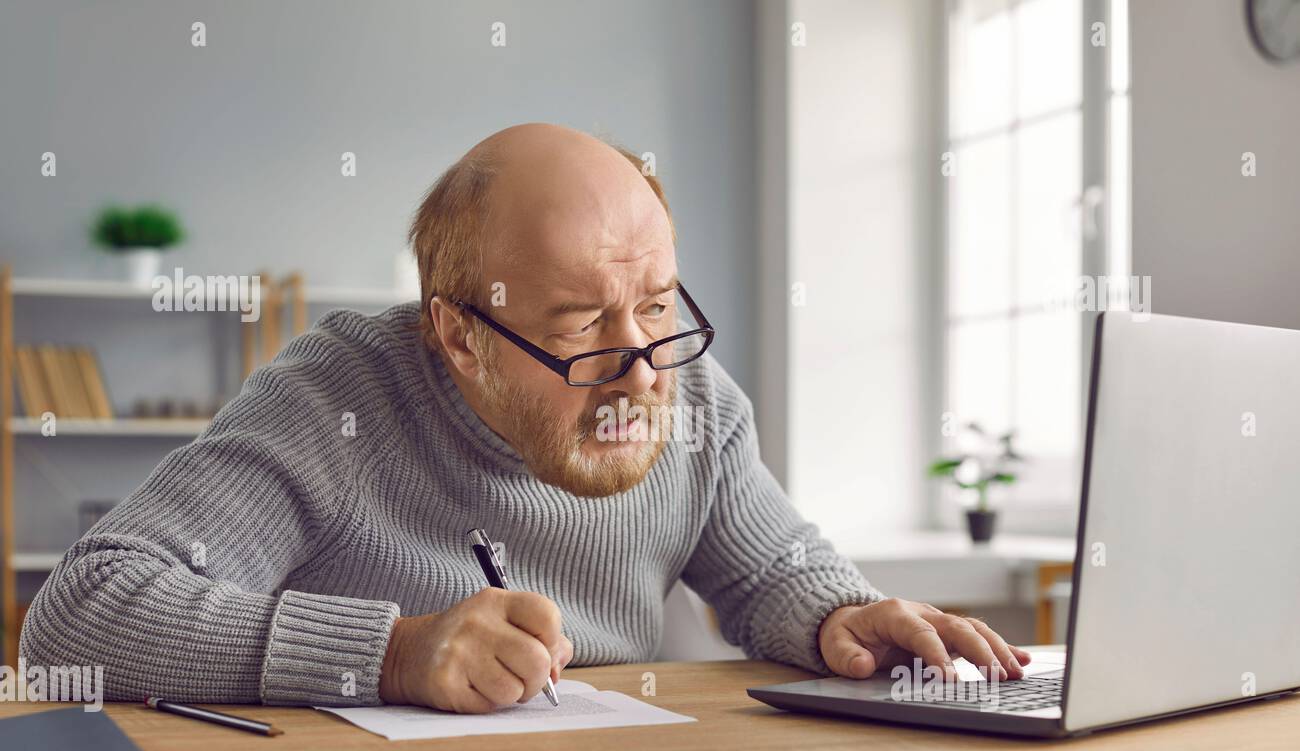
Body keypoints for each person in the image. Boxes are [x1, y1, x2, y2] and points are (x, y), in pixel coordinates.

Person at [20, 123, 1029, 712]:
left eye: (660, 304)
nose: (642, 370)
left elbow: (775, 573)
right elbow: (78, 616)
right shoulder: (335, 398)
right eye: (585, 326)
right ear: (459, 336)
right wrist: (392, 653)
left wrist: (838, 616)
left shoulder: (694, 404)